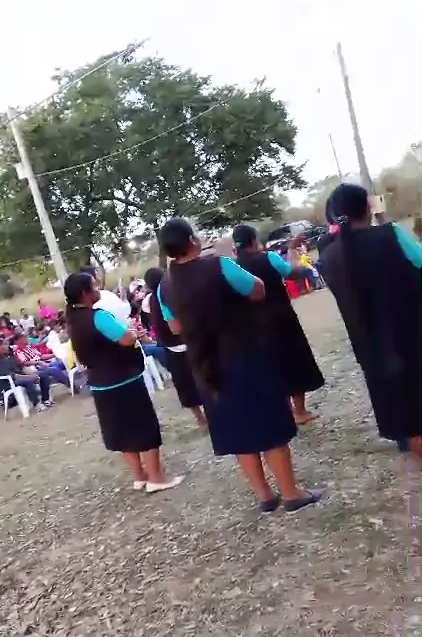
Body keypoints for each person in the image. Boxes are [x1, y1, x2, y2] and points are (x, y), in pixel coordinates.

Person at [157, 217, 322, 512]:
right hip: (246, 355)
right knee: (269, 425)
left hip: (206, 366)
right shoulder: (219, 266)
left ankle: (266, 496)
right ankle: (291, 493)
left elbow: (175, 326)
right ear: (192, 241)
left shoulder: (165, 286)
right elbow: (258, 290)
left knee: (237, 431)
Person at [319, 183, 422, 458]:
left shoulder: (328, 255)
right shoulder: (390, 234)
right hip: (411, 338)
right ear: (367, 207)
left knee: (408, 421)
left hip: (373, 351)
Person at [64, 270, 182, 492]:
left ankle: (139, 476)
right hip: (123, 379)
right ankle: (156, 478)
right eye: (94, 286)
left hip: (100, 384)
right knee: (144, 427)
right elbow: (126, 339)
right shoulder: (97, 316)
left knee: (121, 431)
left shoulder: (72, 321)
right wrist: (133, 333)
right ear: (85, 293)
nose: (98, 289)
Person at [232, 224, 324, 425]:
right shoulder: (269, 258)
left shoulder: (233, 267)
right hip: (282, 320)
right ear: (253, 240)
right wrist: (292, 250)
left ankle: (285, 413)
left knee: (271, 367)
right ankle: (300, 412)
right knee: (294, 363)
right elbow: (293, 272)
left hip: (253, 327)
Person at [144, 266, 207, 428]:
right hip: (186, 342)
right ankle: (209, 413)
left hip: (170, 346)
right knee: (202, 378)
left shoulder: (151, 300)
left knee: (185, 384)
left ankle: (200, 418)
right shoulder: (170, 292)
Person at [0, 339, 49, 411]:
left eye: (5, 345)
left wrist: (32, 372)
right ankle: (37, 404)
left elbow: (20, 366)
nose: (6, 346)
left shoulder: (8, 355)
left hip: (20, 375)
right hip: (10, 383)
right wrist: (28, 377)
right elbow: (12, 376)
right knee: (28, 381)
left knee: (43, 375)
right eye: (3, 346)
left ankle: (45, 400)